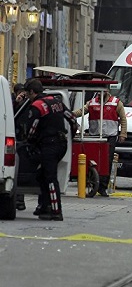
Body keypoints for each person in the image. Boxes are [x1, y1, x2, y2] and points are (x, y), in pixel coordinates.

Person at [24, 79, 77, 221]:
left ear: (32, 92)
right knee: (42, 175)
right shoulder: (56, 101)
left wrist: (29, 143)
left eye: (27, 94)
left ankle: (56, 211)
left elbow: (31, 130)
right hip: (62, 144)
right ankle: (44, 206)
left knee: (50, 177)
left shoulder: (37, 106)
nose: (27, 97)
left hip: (49, 145)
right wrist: (72, 133)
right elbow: (72, 118)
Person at [73, 89, 127, 196]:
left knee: (107, 161)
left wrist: (123, 134)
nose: (100, 93)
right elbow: (81, 111)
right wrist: (70, 114)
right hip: (95, 136)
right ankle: (93, 183)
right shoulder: (92, 102)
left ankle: (103, 187)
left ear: (107, 91)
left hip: (110, 136)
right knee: (93, 160)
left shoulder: (116, 102)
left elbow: (123, 119)